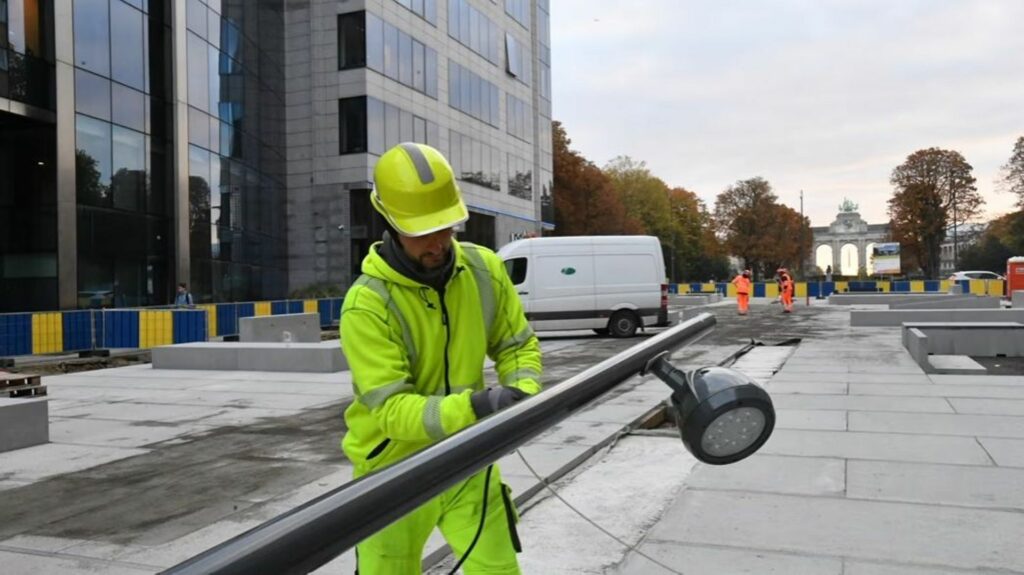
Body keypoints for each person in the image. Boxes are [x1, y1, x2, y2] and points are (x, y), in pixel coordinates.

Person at [340, 143, 542, 574]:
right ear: (390, 223)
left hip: (469, 457)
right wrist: (477, 406)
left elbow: (516, 345)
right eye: (422, 231)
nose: (437, 242)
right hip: (392, 471)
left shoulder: (484, 270)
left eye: (446, 227)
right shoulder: (367, 304)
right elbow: (392, 410)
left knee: (498, 569)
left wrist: (522, 392)